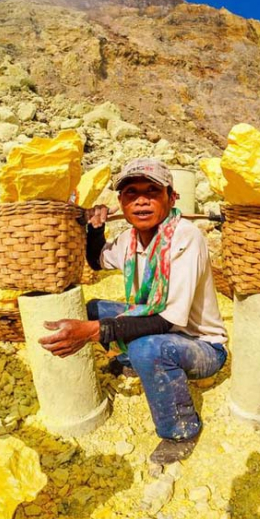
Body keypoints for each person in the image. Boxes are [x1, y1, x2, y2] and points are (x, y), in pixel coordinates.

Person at [40, 158, 227, 465]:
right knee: (92, 309)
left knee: (146, 347)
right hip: (162, 325)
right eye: (131, 193)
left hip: (201, 345)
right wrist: (95, 229)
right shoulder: (130, 239)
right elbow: (99, 261)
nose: (141, 201)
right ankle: (134, 360)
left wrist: (94, 332)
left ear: (171, 197)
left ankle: (181, 429)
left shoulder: (185, 237)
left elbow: (168, 320)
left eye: (152, 192)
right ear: (121, 202)